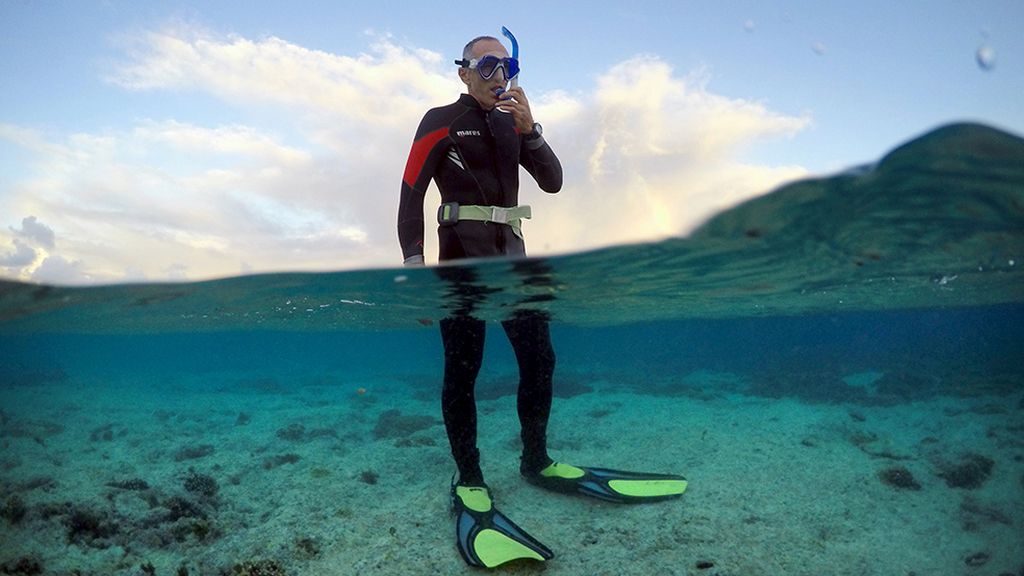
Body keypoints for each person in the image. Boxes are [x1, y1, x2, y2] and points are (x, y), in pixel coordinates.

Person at [398, 34, 687, 569]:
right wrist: (414, 267)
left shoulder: (514, 123)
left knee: (541, 359)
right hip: (461, 260)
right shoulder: (438, 119)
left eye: (506, 65)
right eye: (486, 65)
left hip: (515, 260)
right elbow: (411, 194)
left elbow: (552, 182)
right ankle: (469, 479)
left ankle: (537, 461)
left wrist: (531, 131)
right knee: (463, 371)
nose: (498, 74)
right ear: (463, 71)